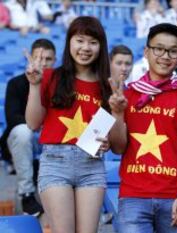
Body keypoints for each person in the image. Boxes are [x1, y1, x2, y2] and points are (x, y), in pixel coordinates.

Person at [25, 16, 112, 233]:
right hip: (55, 163)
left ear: (101, 46)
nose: (85, 48)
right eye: (80, 40)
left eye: (93, 42)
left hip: (92, 167)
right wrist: (35, 87)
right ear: (69, 42)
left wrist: (107, 143)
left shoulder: (107, 85)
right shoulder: (51, 77)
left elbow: (115, 137)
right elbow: (33, 123)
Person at [108, 23, 177, 233]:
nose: (165, 56)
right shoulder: (128, 95)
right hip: (133, 197)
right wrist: (118, 114)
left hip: (173, 198)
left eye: (173, 51)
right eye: (159, 48)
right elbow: (119, 148)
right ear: (146, 52)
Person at [0, 39, 55, 217]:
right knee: (23, 131)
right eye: (38, 57)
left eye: (48, 59)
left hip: (51, 138)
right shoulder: (16, 83)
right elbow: (12, 118)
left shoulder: (60, 84)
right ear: (30, 58)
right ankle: (27, 193)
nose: (43, 63)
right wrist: (37, 124)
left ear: (55, 61)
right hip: (27, 137)